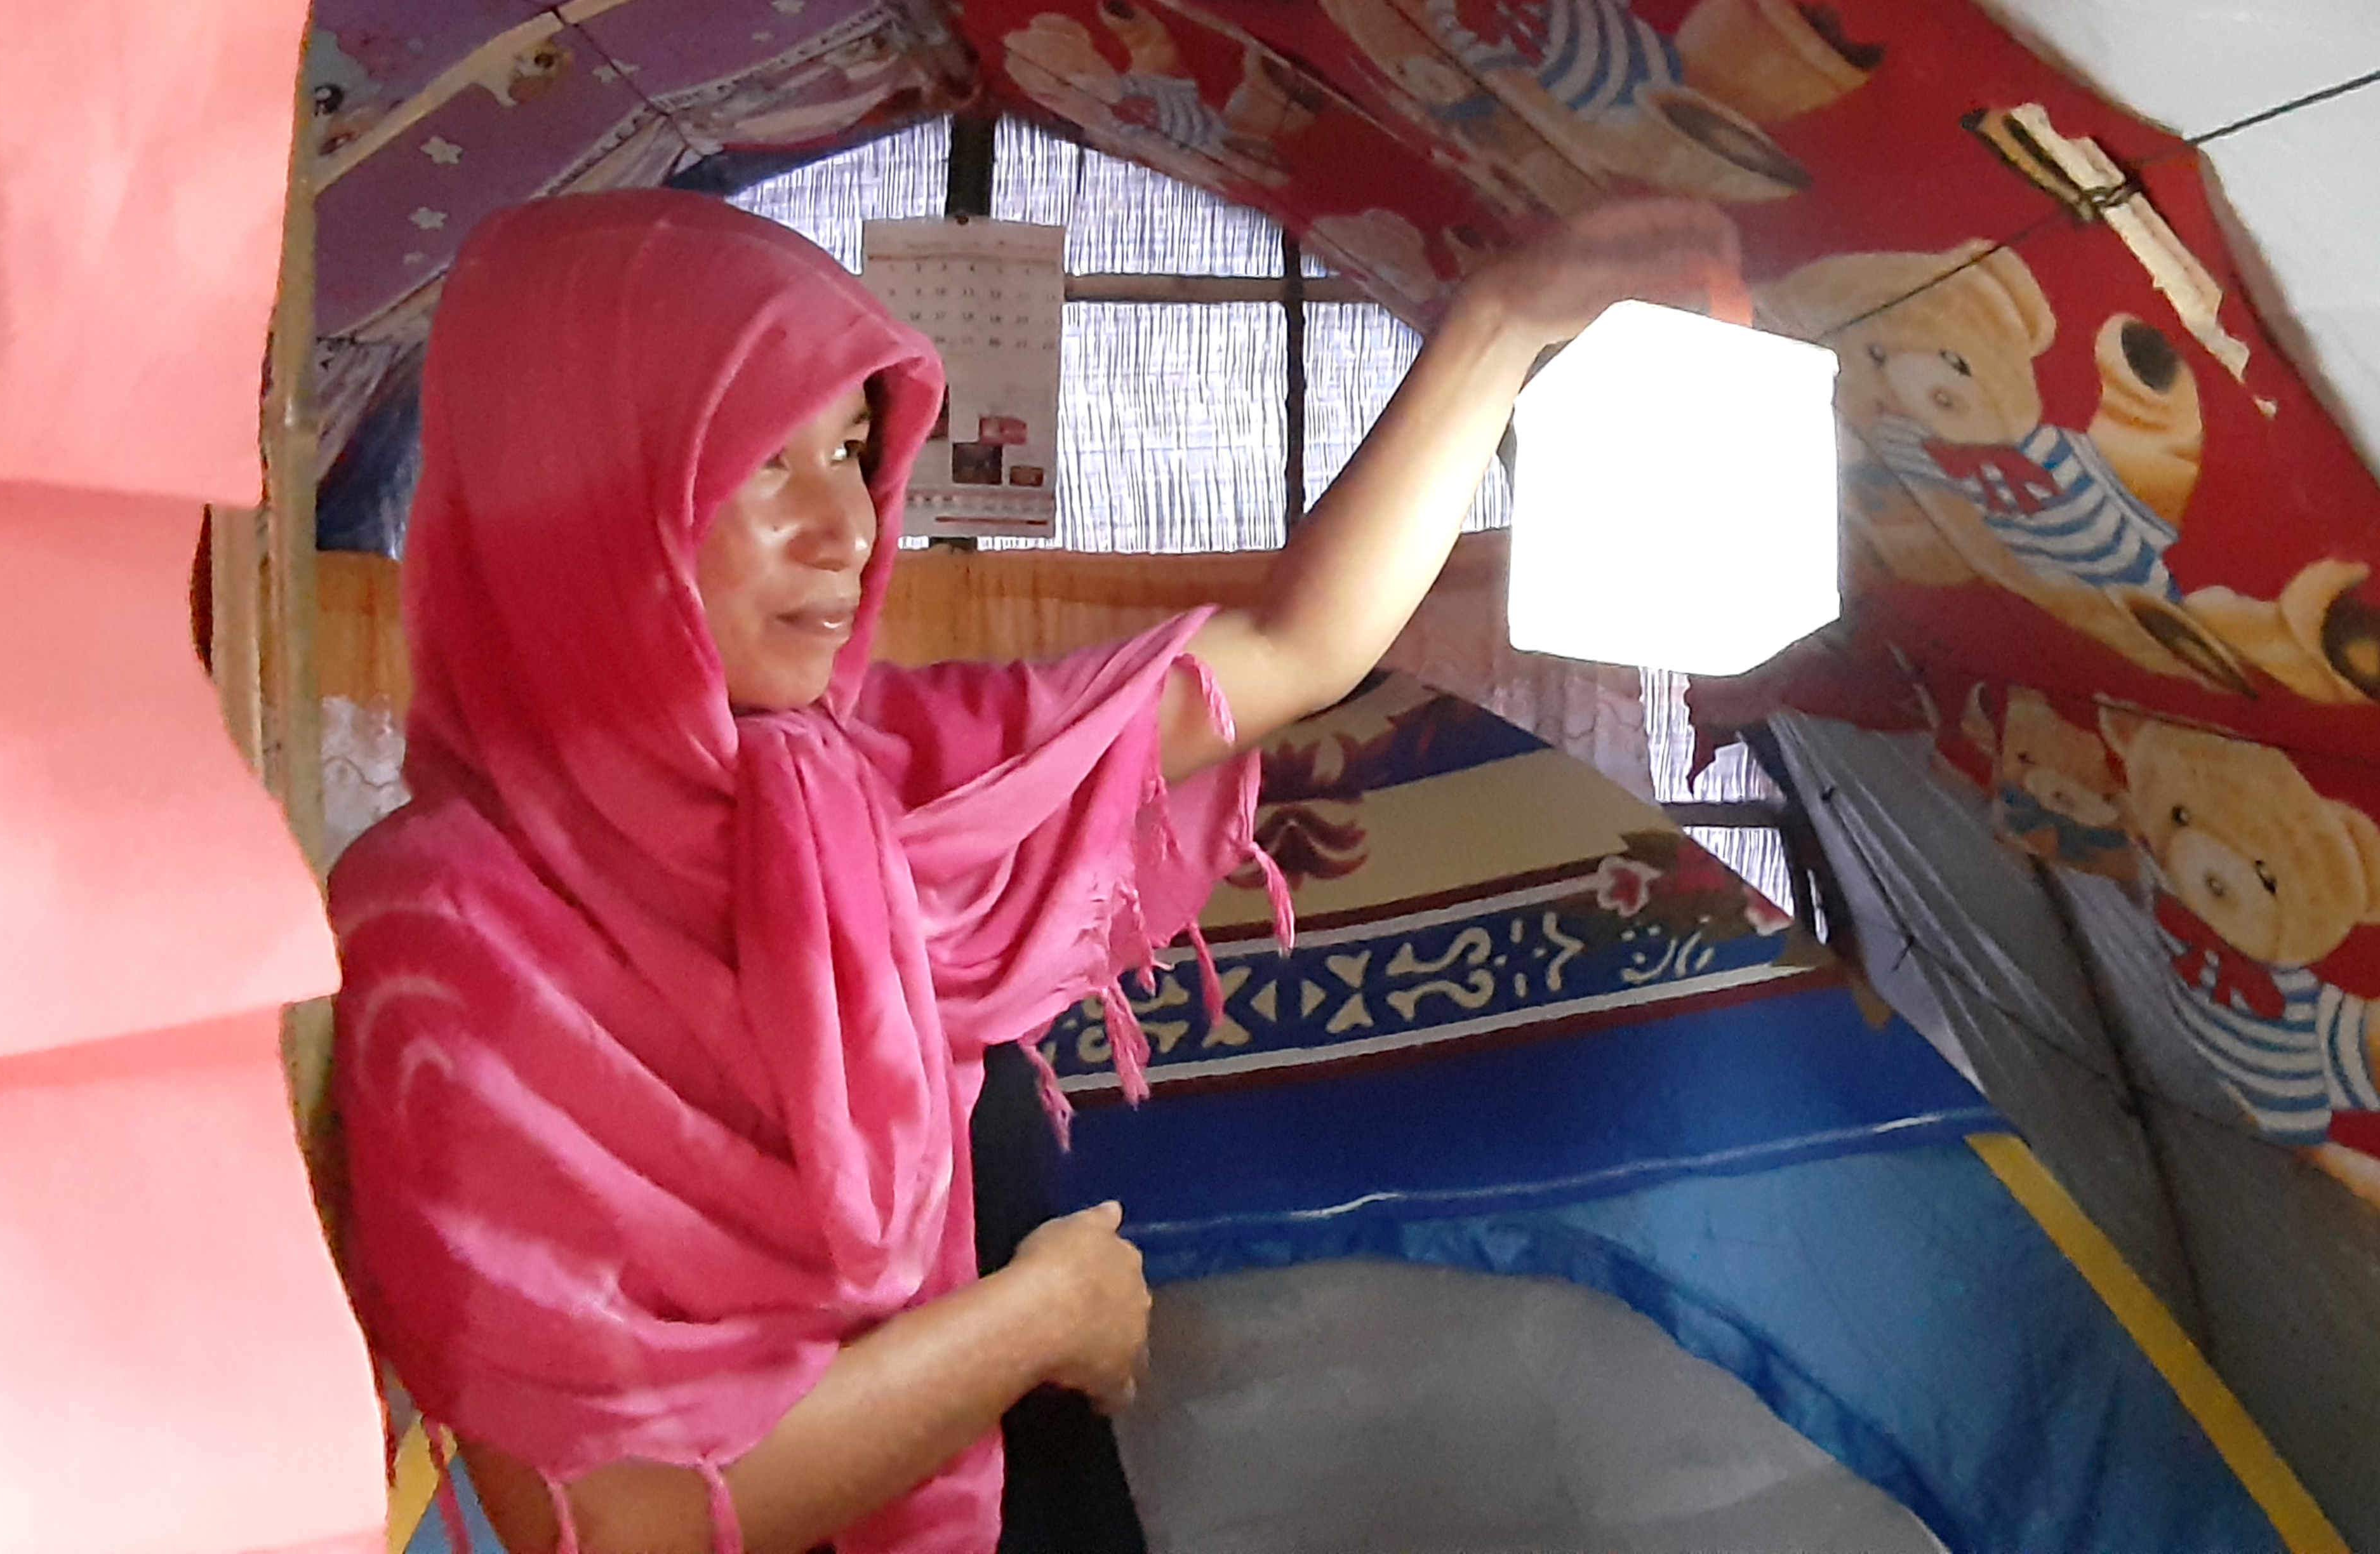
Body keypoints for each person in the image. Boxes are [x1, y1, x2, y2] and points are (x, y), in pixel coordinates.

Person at [327, 185, 1736, 1554]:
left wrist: (1494, 326)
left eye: (853, 450)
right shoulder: (458, 932)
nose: (850, 524)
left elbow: (1296, 648)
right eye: (765, 460)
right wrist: (1037, 1319)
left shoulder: (875, 776)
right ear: (573, 482)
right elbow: (617, 1522)